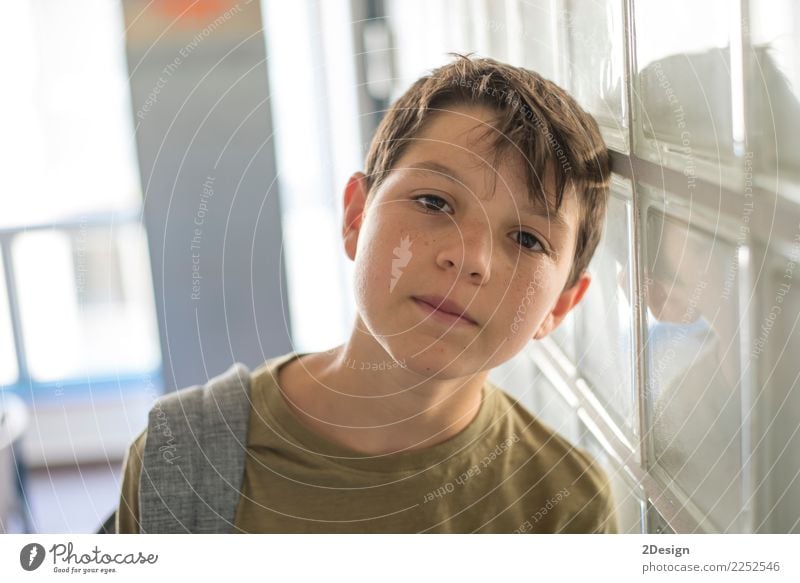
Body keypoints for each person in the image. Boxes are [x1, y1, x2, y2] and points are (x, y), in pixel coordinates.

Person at [116, 53, 616, 533]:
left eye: (527, 239)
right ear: (356, 217)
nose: (470, 259)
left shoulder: (568, 506)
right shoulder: (184, 456)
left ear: (560, 305)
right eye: (434, 201)